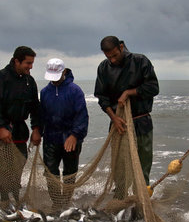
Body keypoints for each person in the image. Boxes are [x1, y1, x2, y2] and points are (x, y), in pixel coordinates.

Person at [94, 36, 159, 198]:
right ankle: (120, 199)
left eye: (115, 55)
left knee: (142, 167)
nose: (112, 60)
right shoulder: (103, 68)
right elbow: (102, 97)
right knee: (120, 168)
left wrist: (129, 92)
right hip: (118, 124)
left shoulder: (140, 61)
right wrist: (114, 118)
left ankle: (142, 201)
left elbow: (153, 87)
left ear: (121, 47)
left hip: (141, 122)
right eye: (108, 57)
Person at [0, 46, 41, 208]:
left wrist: (36, 129)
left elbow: (35, 108)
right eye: (27, 63)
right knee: (2, 169)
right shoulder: (1, 78)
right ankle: (4, 200)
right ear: (16, 61)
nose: (30, 67)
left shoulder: (29, 81)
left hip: (19, 131)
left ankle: (16, 197)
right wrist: (1, 127)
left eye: (32, 63)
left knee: (18, 165)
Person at [40, 58, 89, 211]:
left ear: (64, 72)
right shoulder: (44, 92)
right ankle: (56, 202)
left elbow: (82, 116)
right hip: (50, 138)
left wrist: (75, 135)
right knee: (51, 173)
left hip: (71, 139)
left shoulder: (75, 91)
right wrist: (37, 131)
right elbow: (41, 115)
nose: (54, 82)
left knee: (70, 172)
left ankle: (66, 201)